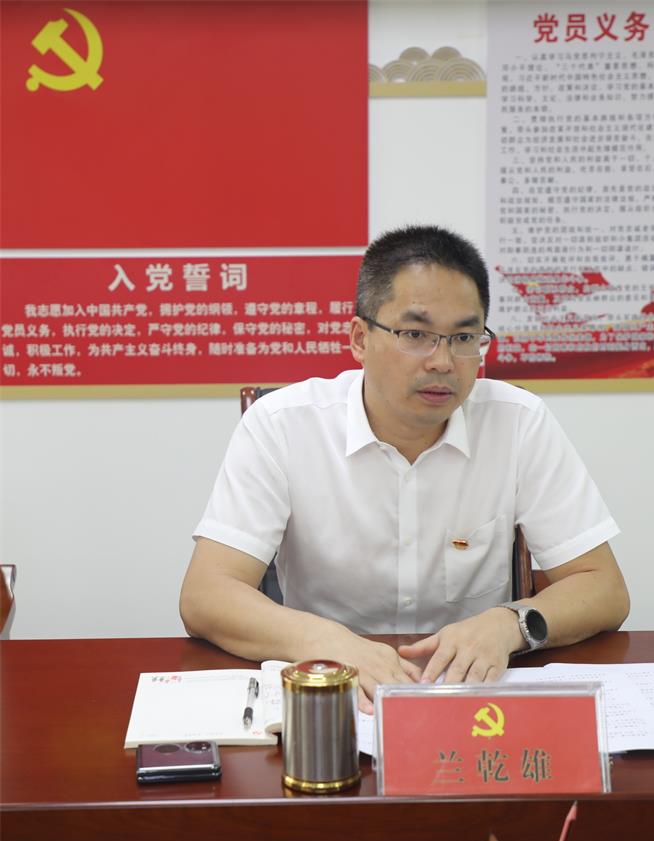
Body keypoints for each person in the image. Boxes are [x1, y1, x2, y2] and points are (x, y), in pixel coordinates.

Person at [180, 225, 630, 713]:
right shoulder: (282, 425)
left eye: (464, 337)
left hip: (472, 697)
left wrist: (510, 624)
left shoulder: (518, 422)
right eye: (416, 335)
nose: (443, 362)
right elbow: (207, 594)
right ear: (359, 338)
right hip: (333, 695)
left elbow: (603, 587)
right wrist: (328, 642)